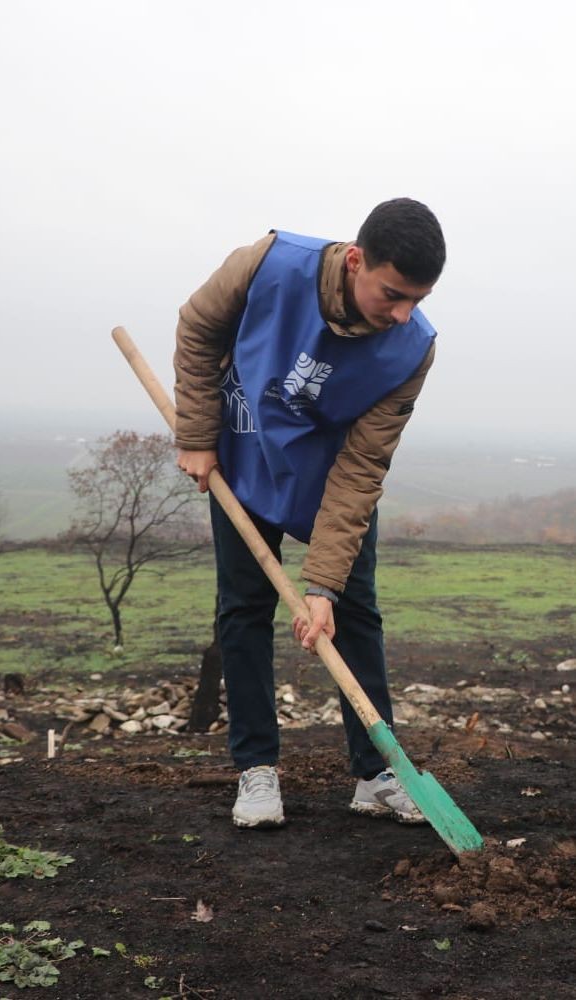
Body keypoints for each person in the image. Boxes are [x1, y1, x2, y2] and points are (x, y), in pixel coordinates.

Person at [174, 198, 445, 829]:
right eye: (394, 294)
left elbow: (363, 470)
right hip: (246, 453)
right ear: (356, 261)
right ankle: (256, 769)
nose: (403, 313)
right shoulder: (268, 265)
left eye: (418, 300)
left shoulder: (412, 348)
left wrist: (321, 585)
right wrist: (196, 434)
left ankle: (377, 773)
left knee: (353, 609)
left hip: (330, 476)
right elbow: (198, 326)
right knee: (243, 607)